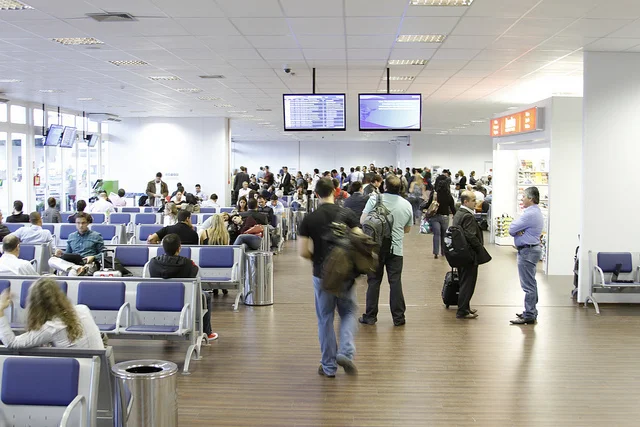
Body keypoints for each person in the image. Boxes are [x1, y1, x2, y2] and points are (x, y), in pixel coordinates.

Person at [298, 178, 360, 378]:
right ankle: (346, 352)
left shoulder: (309, 219)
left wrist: (317, 260)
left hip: (322, 275)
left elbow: (303, 251)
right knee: (349, 312)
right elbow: (359, 240)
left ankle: (328, 366)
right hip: (346, 275)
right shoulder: (347, 214)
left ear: (316, 194)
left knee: (325, 319)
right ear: (335, 191)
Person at [359, 175, 412, 327]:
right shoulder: (406, 205)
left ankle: (370, 316)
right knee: (395, 282)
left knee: (374, 281)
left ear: (385, 186)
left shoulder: (375, 199)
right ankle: (398, 318)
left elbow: (363, 221)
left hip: (375, 248)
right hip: (395, 249)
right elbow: (407, 229)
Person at [148, 233, 218, 340]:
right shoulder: (188, 264)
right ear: (179, 248)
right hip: (184, 301)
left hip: (159, 301)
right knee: (206, 296)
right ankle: (207, 332)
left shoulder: (153, 262)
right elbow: (194, 277)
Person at [0, 278, 103, 349]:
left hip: (77, 374)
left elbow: (12, 343)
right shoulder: (83, 309)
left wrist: (0, 310)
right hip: (101, 370)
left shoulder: (52, 327)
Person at [509, 186, 544, 325]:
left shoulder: (530, 214)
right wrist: (520, 232)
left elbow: (512, 229)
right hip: (531, 250)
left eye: (524, 196)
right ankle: (531, 311)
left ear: (531, 198)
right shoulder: (534, 212)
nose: (522, 199)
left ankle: (529, 314)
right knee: (531, 282)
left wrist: (519, 232)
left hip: (527, 251)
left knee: (528, 285)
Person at [452, 191, 485, 320]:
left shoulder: (459, 213)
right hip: (469, 254)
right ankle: (463, 310)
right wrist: (479, 248)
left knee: (464, 280)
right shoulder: (468, 216)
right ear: (466, 201)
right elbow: (470, 235)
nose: (475, 202)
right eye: (473, 200)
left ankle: (465, 306)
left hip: (460, 253)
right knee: (468, 282)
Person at [425, 175, 457, 259]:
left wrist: (423, 207)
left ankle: (436, 253)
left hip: (435, 217)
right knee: (444, 235)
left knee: (436, 235)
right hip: (445, 217)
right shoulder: (449, 196)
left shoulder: (434, 195)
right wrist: (455, 215)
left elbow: (428, 204)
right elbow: (453, 208)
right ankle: (443, 252)